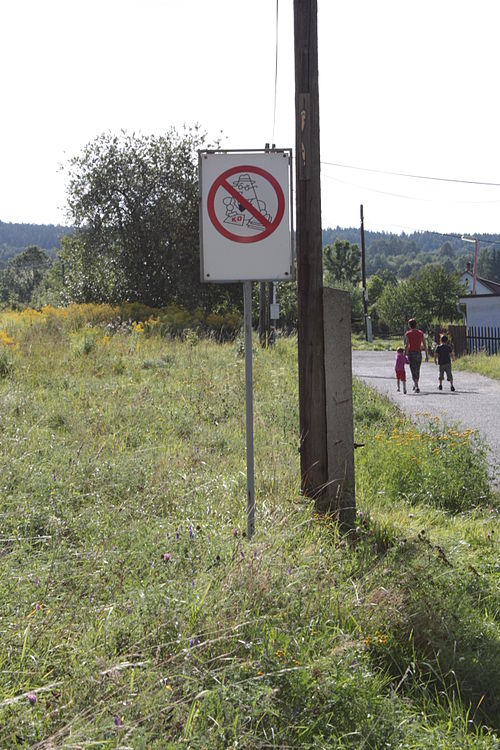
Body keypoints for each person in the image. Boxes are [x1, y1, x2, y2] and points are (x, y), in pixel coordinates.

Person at [404, 318, 428, 393]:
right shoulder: (420, 333)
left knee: (412, 369)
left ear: (409, 325)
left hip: (411, 353)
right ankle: (416, 384)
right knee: (417, 369)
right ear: (416, 324)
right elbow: (424, 344)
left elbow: (407, 345)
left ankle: (416, 385)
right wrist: (427, 355)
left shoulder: (408, 334)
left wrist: (404, 355)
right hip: (418, 353)